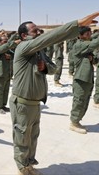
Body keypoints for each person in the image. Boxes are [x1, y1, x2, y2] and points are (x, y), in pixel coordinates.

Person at [9, 12, 99, 175]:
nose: (38, 33)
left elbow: (53, 68)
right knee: (22, 136)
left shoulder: (38, 51)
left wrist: (44, 68)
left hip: (35, 103)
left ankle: (29, 164)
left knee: (33, 136)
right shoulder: (23, 47)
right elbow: (50, 38)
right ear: (23, 35)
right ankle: (22, 168)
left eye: (38, 31)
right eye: (34, 31)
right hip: (22, 103)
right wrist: (76, 24)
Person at [70, 26, 99, 134]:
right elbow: (93, 44)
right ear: (80, 36)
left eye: (90, 33)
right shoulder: (79, 45)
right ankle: (73, 122)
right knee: (79, 101)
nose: (90, 35)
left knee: (85, 101)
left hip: (87, 78)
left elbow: (95, 61)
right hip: (80, 79)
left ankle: (77, 120)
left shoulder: (86, 48)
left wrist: (93, 58)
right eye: (87, 34)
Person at [0, 33, 20, 114]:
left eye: (7, 41)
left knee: (6, 90)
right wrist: (13, 43)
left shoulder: (9, 50)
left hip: (8, 74)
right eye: (5, 41)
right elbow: (0, 50)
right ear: (0, 42)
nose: (7, 43)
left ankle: (3, 105)